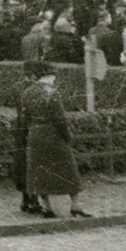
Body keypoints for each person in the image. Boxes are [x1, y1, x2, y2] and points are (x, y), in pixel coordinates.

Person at [14, 62, 85, 218]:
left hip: (35, 136)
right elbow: (60, 119)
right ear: (49, 76)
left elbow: (25, 118)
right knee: (69, 170)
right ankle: (76, 205)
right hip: (54, 136)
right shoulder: (52, 92)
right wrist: (68, 136)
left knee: (39, 173)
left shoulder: (27, 93)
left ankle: (46, 207)